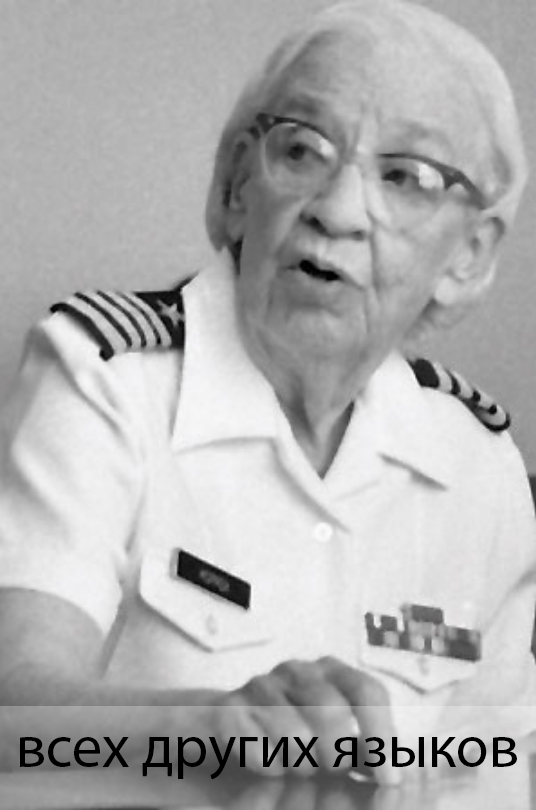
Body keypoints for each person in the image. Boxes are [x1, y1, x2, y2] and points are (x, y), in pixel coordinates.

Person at [0, 0, 534, 782]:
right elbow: (14, 719)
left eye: (407, 177)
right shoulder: (104, 378)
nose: (338, 211)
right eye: (304, 150)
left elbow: (490, 774)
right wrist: (207, 734)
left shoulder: (478, 465)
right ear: (236, 185)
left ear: (470, 255)